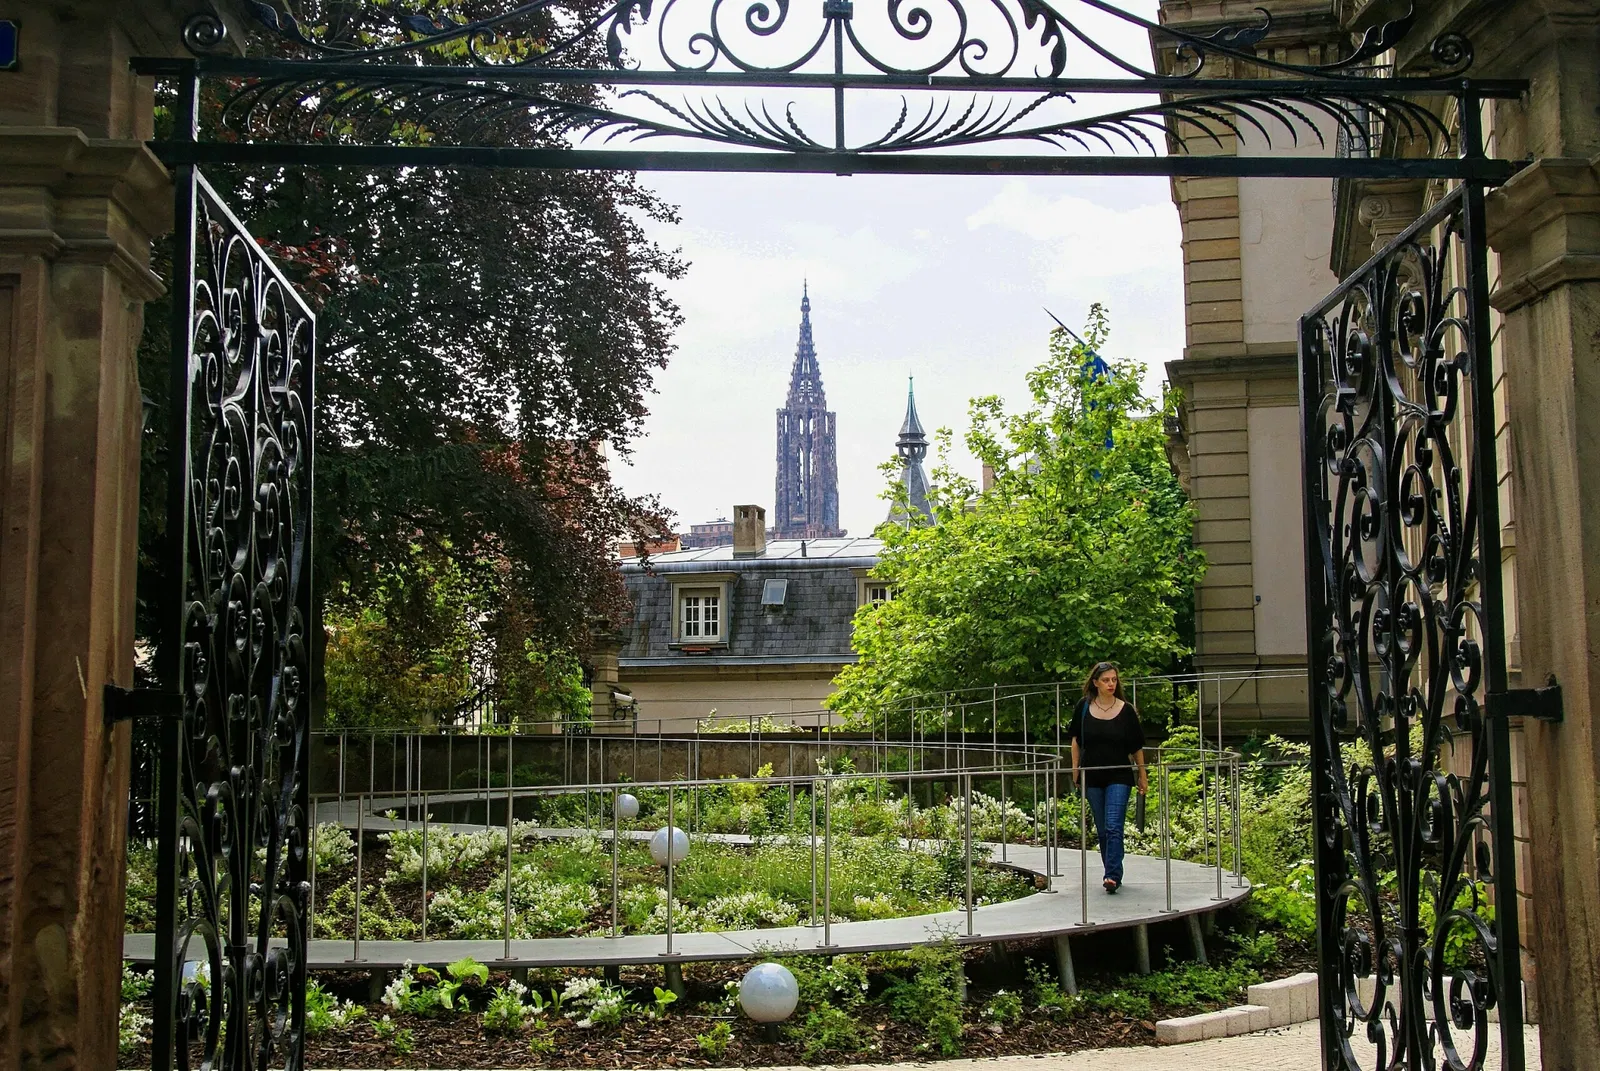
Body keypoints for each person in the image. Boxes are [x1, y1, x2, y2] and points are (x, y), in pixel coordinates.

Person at [1067, 662, 1148, 893]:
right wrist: (1075, 770)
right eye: (1106, 680)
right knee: (1102, 829)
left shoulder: (1126, 710)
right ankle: (1112, 871)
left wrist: (1142, 775)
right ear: (1095, 683)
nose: (1111, 684)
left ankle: (1112, 875)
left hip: (1119, 775)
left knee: (1114, 825)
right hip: (1092, 774)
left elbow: (1136, 746)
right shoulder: (1084, 707)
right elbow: (1075, 740)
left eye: (1114, 679)